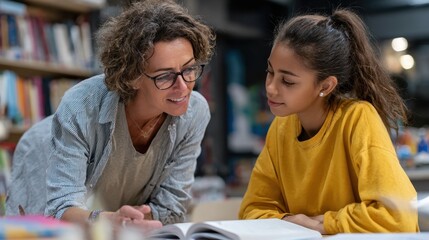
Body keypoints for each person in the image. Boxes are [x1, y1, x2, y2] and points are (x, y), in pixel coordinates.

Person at [6, 0, 215, 231]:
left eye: (189, 69)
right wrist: (108, 221)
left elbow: (173, 208)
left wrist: (124, 223)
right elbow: (60, 211)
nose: (184, 87)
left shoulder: (195, 112)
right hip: (42, 158)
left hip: (111, 209)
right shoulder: (80, 107)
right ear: (132, 76)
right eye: (165, 76)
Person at [238, 9, 419, 233]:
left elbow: (398, 216)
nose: (271, 88)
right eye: (270, 72)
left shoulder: (358, 118)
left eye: (287, 81)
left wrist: (323, 223)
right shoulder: (281, 128)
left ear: (325, 86)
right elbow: (252, 210)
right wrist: (293, 223)